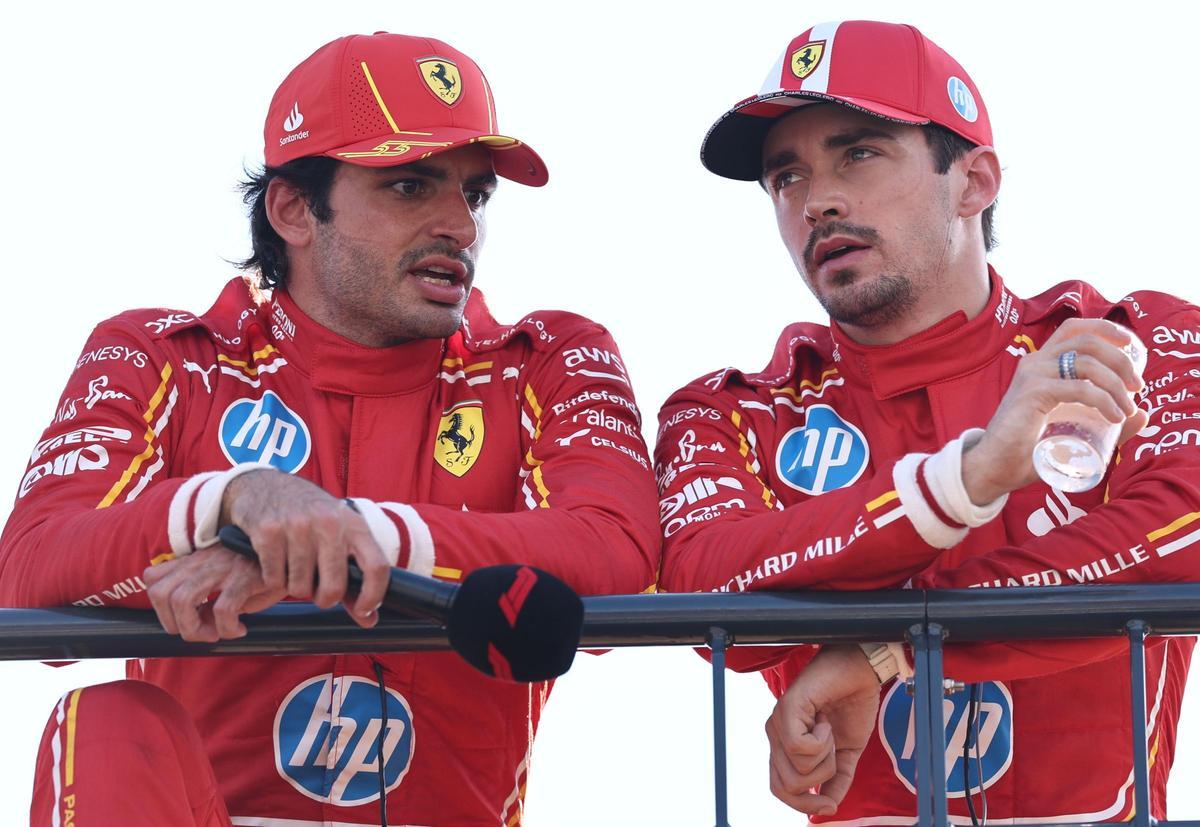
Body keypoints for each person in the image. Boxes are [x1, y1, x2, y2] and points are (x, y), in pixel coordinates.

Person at [0, 32, 660, 827]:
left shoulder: (551, 356)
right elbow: (26, 571)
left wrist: (346, 539)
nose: (460, 225)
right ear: (292, 209)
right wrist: (234, 501)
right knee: (104, 722)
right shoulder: (157, 354)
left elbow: (621, 555)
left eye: (475, 194)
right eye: (412, 187)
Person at [656, 19, 1199, 823]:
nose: (818, 201)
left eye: (859, 153)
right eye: (786, 178)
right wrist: (968, 479)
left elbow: (1184, 537)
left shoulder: (1137, 337)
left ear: (975, 180)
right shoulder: (732, 409)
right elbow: (704, 588)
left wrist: (884, 653)